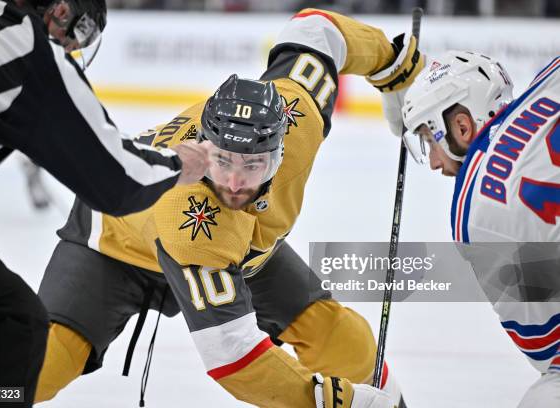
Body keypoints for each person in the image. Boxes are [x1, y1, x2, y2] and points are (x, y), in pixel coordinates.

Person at [34, 8, 424, 408]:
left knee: (342, 340)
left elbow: (318, 28)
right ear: (203, 148)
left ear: (281, 151)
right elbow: (234, 359)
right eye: (222, 161)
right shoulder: (188, 214)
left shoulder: (298, 114)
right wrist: (333, 402)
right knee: (39, 371)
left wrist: (393, 66)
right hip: (116, 245)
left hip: (235, 247)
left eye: (253, 164)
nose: (235, 184)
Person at [0, 0, 210, 406]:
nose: (71, 49)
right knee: (11, 325)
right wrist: (179, 165)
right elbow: (116, 180)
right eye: (78, 35)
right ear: (62, 11)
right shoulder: (30, 46)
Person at [400, 51, 559, 407]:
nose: (435, 163)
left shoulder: (475, 214)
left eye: (429, 140)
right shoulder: (548, 80)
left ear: (461, 126)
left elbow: (546, 344)